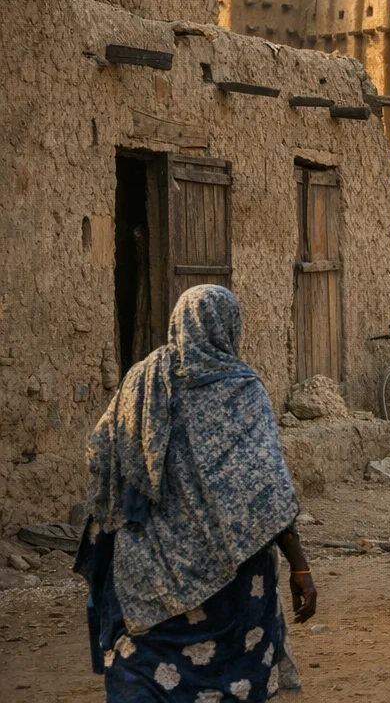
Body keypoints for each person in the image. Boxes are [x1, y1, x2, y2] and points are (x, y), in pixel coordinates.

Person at [77, 285, 316, 701]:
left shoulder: (142, 382)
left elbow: (101, 454)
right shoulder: (241, 389)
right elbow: (267, 489)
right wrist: (300, 567)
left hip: (147, 566)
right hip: (232, 569)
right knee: (233, 674)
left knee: (143, 664)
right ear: (230, 325)